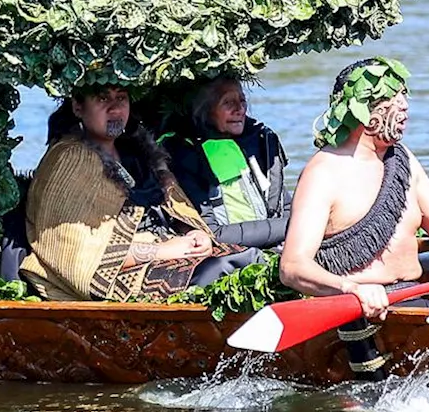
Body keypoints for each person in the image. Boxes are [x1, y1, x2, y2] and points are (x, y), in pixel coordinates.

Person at [279, 57, 429, 317]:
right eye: (394, 99)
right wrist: (350, 288)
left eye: (404, 97)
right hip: (357, 309)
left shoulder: (402, 159)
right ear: (363, 110)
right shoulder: (323, 174)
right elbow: (292, 266)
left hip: (413, 298)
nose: (405, 107)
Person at [19, 85, 263, 301]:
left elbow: (178, 209)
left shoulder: (140, 152)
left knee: (252, 260)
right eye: (103, 99)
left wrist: (194, 232)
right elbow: (70, 251)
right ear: (78, 107)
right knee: (220, 269)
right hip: (121, 270)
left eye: (122, 98)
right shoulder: (70, 159)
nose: (115, 108)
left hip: (172, 248)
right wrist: (161, 251)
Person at [162, 76, 291, 252]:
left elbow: (285, 206)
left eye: (242, 101)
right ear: (206, 111)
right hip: (228, 253)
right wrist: (291, 227)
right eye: (228, 102)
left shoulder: (259, 143)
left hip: (276, 239)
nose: (240, 109)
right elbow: (212, 232)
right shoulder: (185, 155)